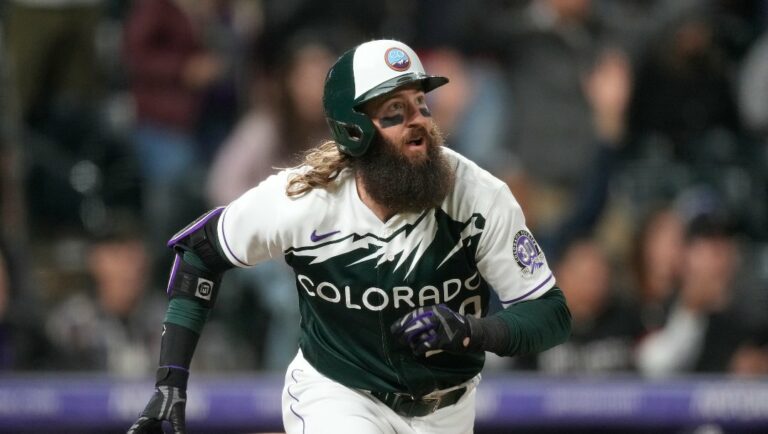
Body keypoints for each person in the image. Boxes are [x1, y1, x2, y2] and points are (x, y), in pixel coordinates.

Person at [127, 39, 571, 434]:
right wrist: (170, 381)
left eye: (421, 103)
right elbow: (201, 252)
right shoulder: (304, 198)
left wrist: (474, 330)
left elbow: (550, 314)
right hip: (338, 394)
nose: (417, 121)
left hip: (448, 409)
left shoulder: (477, 196)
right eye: (394, 111)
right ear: (353, 129)